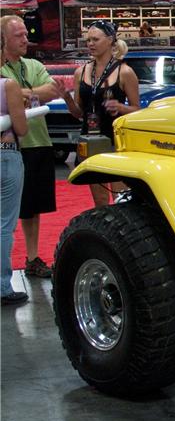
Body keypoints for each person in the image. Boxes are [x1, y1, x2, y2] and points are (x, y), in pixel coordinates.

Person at [0, 15, 60, 278]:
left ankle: (33, 257)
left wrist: (19, 93)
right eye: (19, 35)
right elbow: (43, 91)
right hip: (12, 145)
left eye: (26, 34)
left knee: (33, 206)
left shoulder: (33, 64)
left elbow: (53, 90)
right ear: (3, 39)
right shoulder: (5, 68)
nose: (26, 39)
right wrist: (30, 92)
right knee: (7, 214)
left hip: (38, 142)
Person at [64, 20, 140, 207]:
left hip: (116, 141)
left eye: (95, 39)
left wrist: (122, 108)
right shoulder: (80, 72)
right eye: (88, 40)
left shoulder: (125, 72)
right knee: (99, 200)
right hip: (90, 140)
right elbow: (79, 113)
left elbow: (138, 110)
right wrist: (66, 98)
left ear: (110, 41)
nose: (90, 44)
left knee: (121, 198)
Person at [1, 75, 29, 305]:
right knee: (3, 225)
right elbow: (21, 128)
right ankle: (2, 286)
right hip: (5, 154)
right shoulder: (7, 85)